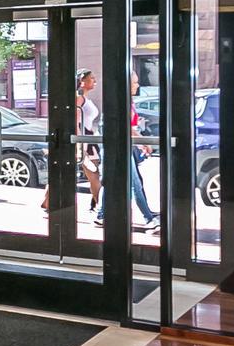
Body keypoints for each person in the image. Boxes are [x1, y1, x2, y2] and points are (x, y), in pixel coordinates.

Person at [94, 70, 158, 232]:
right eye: (135, 82)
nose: (138, 85)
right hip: (118, 147)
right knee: (134, 183)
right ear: (127, 84)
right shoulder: (121, 101)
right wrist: (143, 143)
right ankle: (148, 219)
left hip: (122, 146)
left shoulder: (126, 101)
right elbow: (127, 127)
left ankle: (102, 215)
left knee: (117, 181)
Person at [43, 69, 102, 216]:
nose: (95, 81)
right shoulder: (78, 99)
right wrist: (80, 143)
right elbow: (76, 122)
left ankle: (48, 202)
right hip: (84, 141)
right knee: (93, 174)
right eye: (92, 78)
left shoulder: (84, 98)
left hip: (88, 139)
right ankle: (101, 208)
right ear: (82, 81)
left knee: (81, 172)